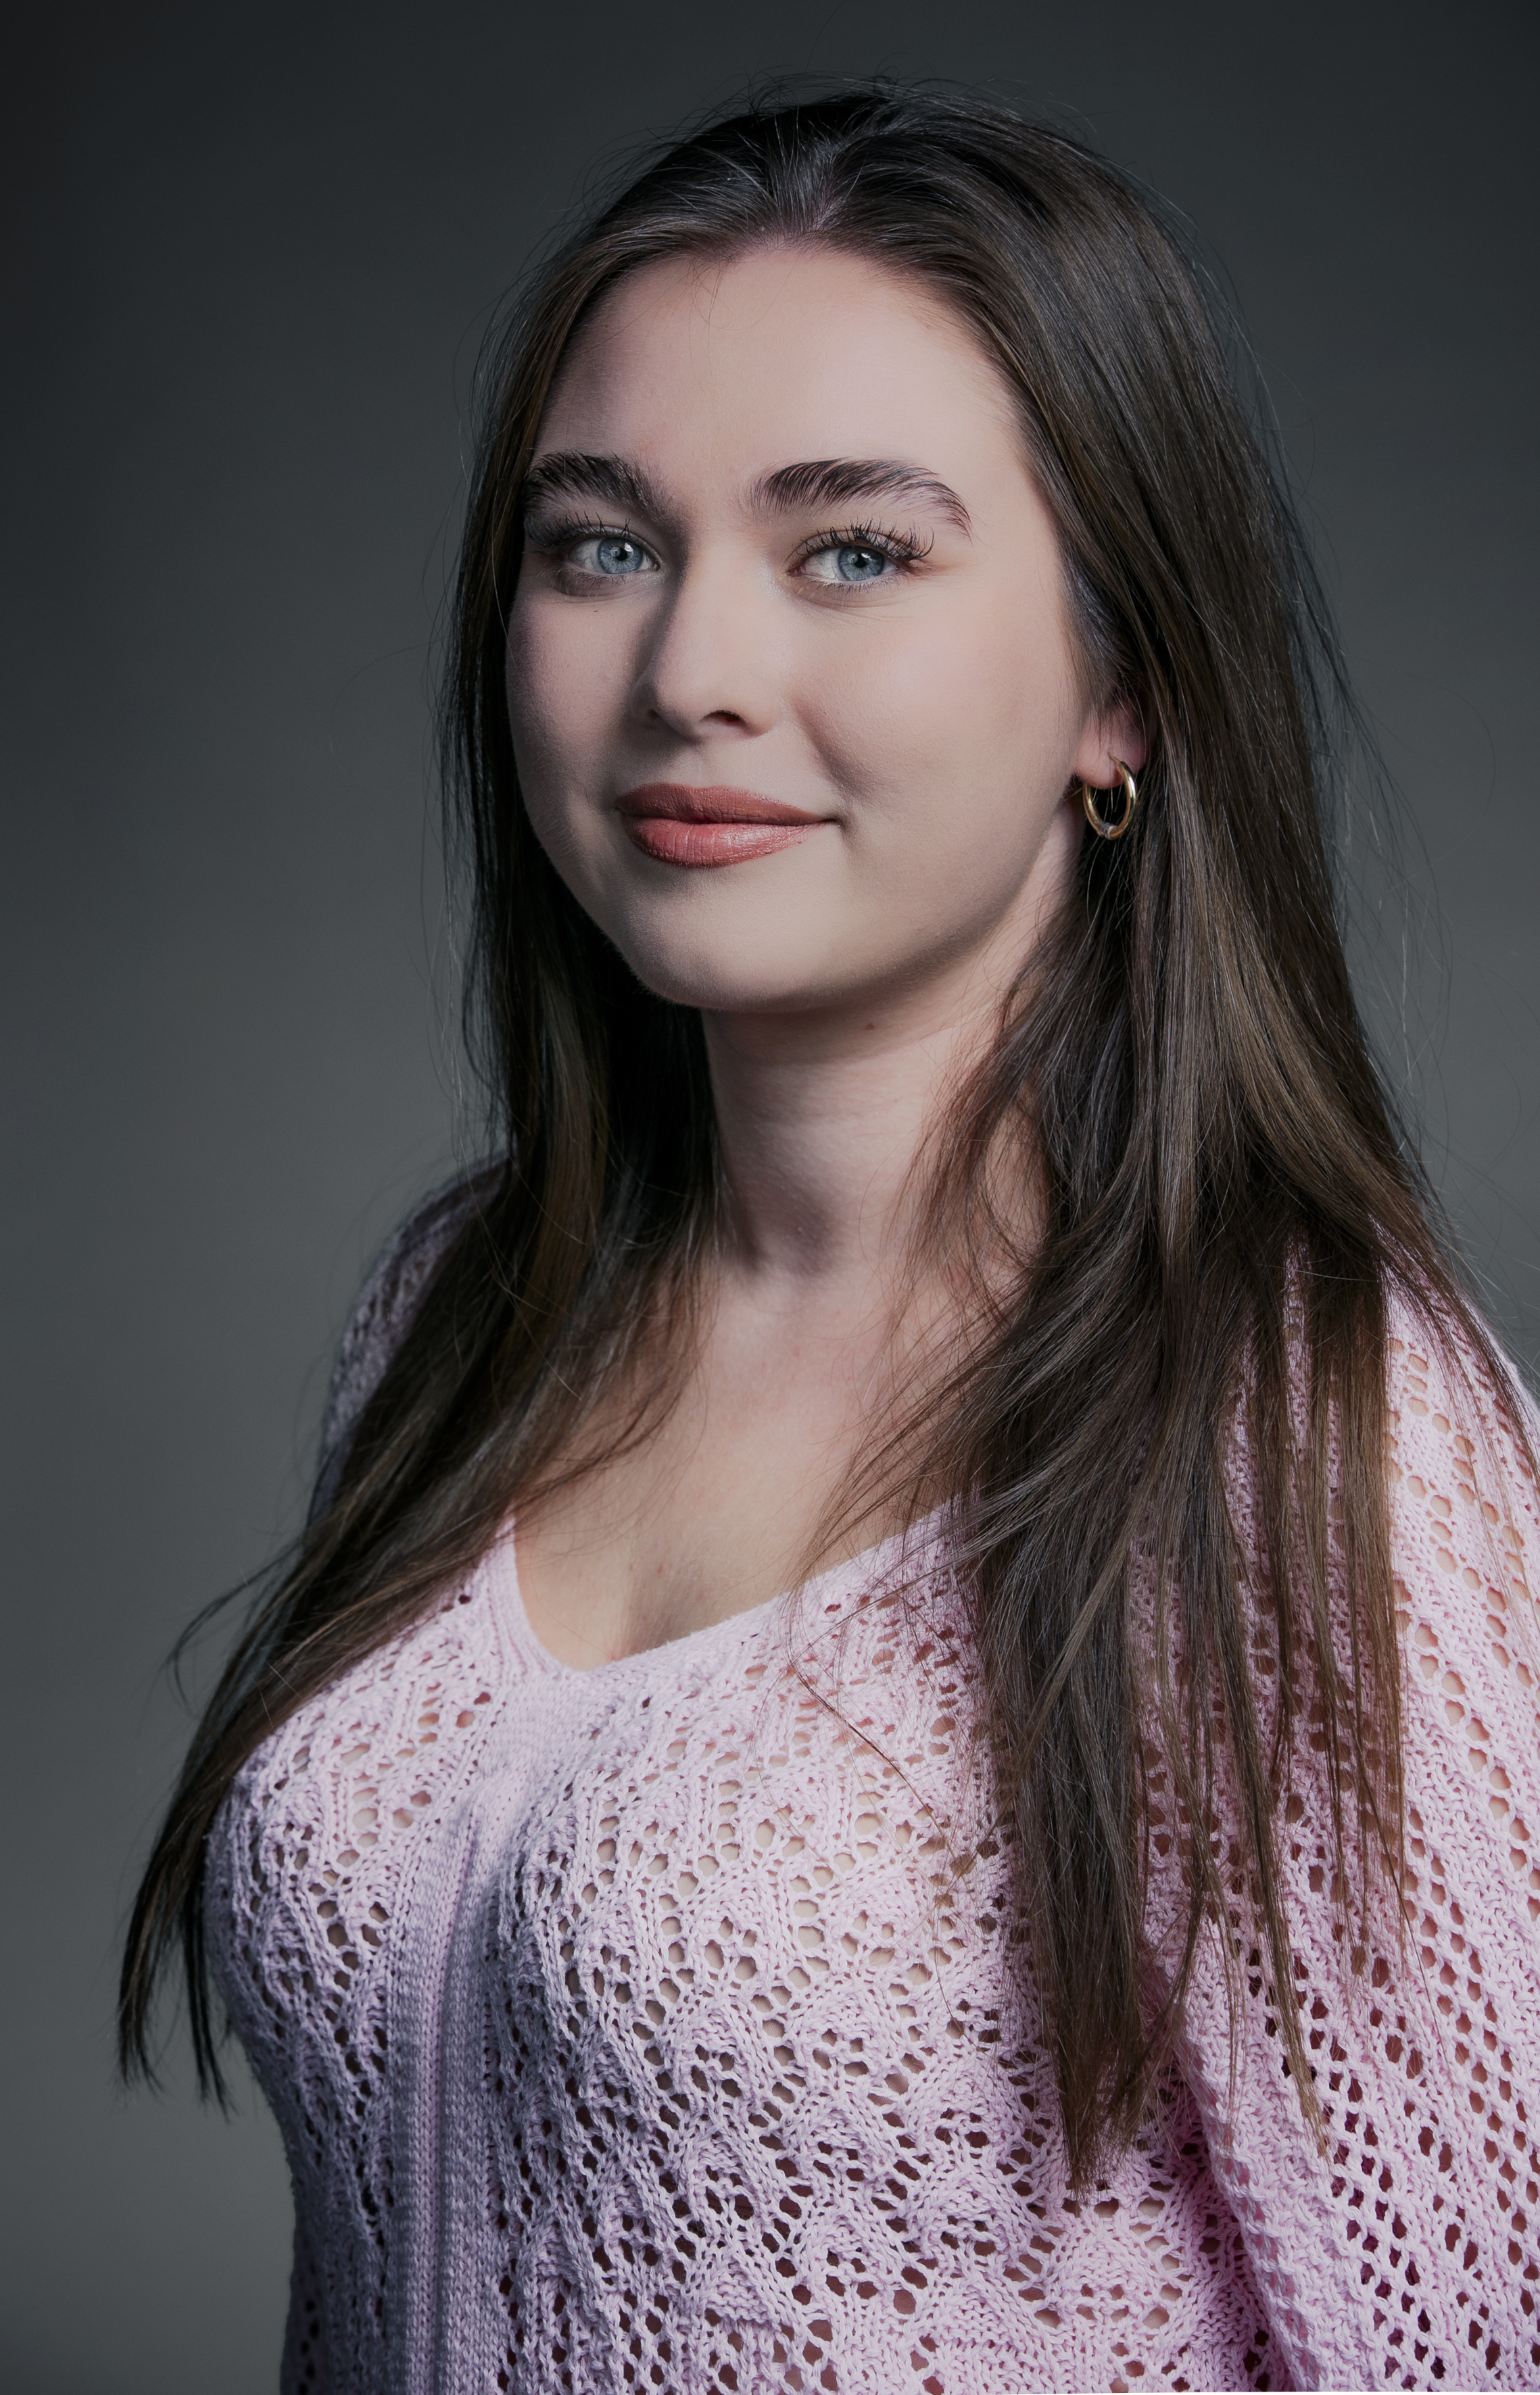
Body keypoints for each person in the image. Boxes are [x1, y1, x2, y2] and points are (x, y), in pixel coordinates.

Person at [120, 88, 1540, 2394]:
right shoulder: (464, 1314)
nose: (690, 666)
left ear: (1123, 687)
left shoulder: (1307, 1434)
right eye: (600, 546)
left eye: (853, 552)